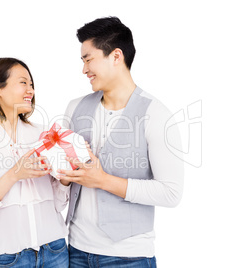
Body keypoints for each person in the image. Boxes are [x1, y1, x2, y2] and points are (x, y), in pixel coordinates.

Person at [57, 17, 184, 268]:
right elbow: (64, 181)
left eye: (88, 59)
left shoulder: (156, 115)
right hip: (75, 251)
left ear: (116, 56)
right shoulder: (75, 108)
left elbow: (171, 192)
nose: (84, 69)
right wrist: (60, 173)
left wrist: (104, 180)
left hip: (129, 257)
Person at [0, 58, 70, 268]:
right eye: (23, 83)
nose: (31, 90)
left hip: (55, 251)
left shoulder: (43, 134)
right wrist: (14, 174)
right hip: (8, 259)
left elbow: (58, 204)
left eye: (32, 84)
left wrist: (66, 177)